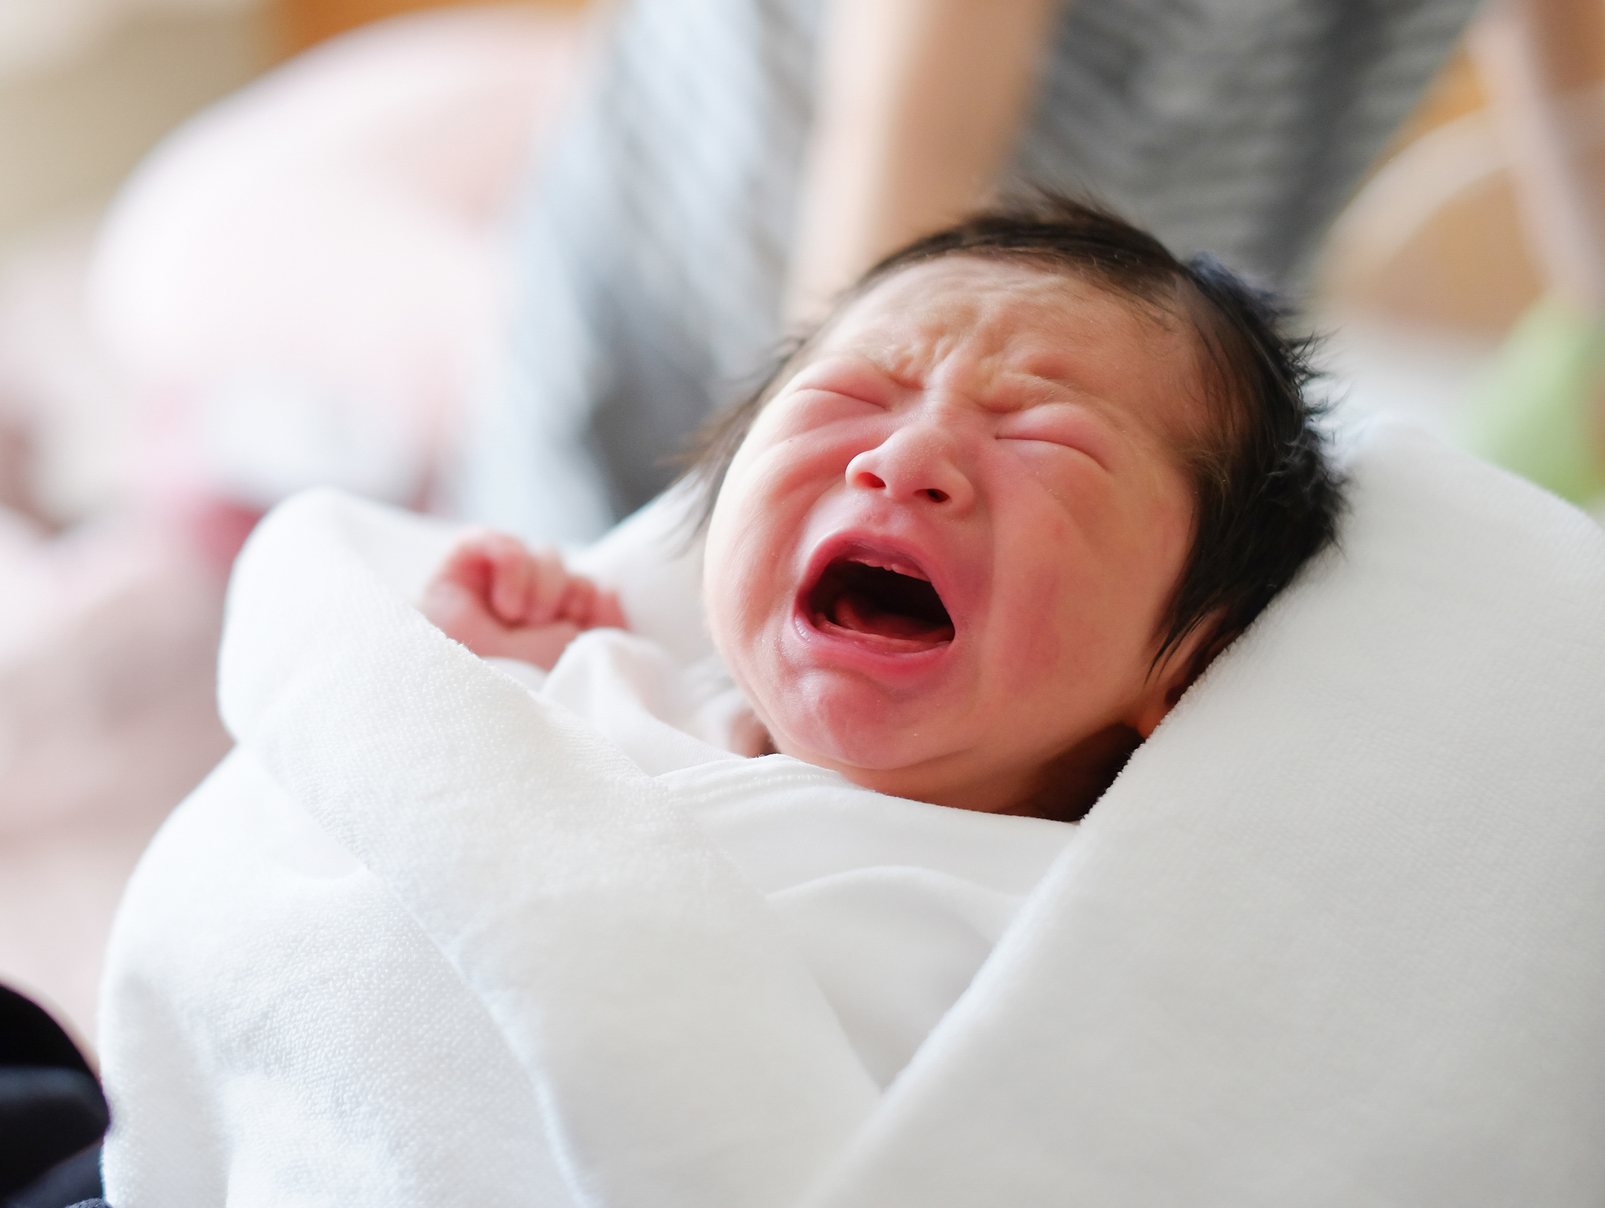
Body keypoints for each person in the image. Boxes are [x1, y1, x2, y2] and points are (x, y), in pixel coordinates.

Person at [454, 0, 1544, 542]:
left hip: (1134, 344)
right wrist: (797, 522)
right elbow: (905, 144)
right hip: (752, 295)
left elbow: (1580, 104)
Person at [426, 197, 1343, 822]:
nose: (903, 459)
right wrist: (484, 664)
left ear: (1194, 662)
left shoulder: (1076, 924)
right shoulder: (619, 697)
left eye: (1044, 437)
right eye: (856, 394)